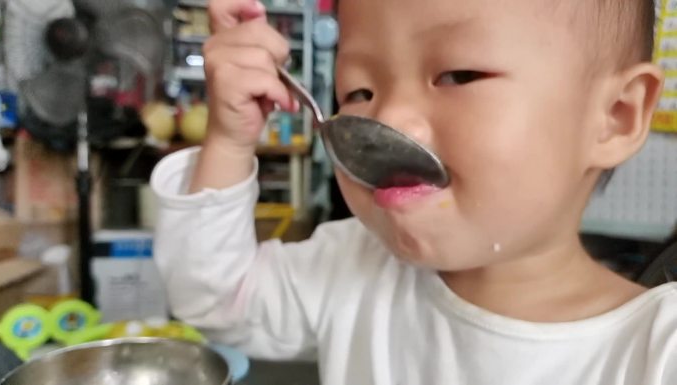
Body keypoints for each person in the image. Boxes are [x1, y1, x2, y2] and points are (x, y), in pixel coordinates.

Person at [151, 0, 677, 383]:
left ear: (614, 117)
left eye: (458, 74)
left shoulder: (655, 351)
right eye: (359, 91)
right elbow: (215, 299)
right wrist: (227, 138)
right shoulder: (351, 266)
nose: (389, 118)